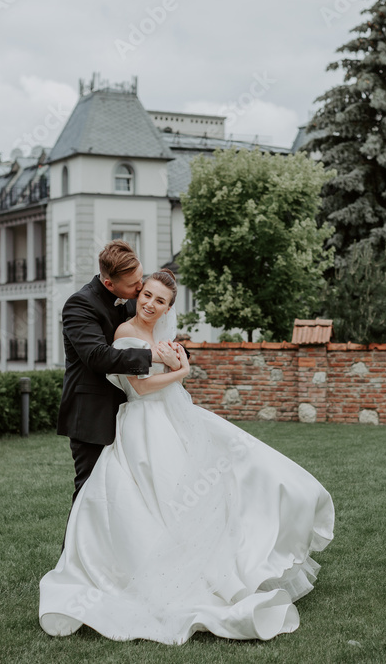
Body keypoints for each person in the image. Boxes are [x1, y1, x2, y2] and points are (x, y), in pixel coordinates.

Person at [40, 270, 334, 644]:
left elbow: (166, 363)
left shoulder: (160, 334)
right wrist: (182, 372)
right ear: (138, 293)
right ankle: (145, 574)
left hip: (175, 420)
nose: (149, 303)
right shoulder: (123, 331)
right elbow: (142, 387)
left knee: (230, 474)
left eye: (159, 301)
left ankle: (239, 550)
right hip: (142, 425)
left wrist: (179, 360)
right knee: (156, 497)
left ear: (168, 308)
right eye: (146, 295)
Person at [56, 240, 167, 504]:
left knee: (126, 497)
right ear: (109, 284)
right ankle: (73, 548)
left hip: (131, 415)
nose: (141, 288)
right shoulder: (79, 305)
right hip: (93, 416)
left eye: (141, 278)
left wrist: (174, 351)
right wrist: (152, 356)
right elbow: (98, 356)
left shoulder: (130, 300)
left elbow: (149, 331)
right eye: (134, 284)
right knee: (90, 496)